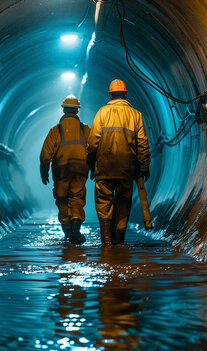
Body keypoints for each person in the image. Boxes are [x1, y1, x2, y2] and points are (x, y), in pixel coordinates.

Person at [87, 79, 150, 246]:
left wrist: (91, 164)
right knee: (123, 204)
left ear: (110, 94)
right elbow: (142, 143)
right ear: (126, 94)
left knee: (103, 204)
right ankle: (119, 243)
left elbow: (93, 142)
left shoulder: (102, 112)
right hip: (126, 169)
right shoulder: (135, 115)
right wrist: (144, 166)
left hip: (105, 168)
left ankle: (107, 244)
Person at [40, 95, 91, 244]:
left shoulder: (55, 130)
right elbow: (95, 149)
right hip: (80, 170)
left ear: (63, 109)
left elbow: (45, 155)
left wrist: (44, 171)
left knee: (62, 201)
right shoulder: (85, 129)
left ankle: (68, 233)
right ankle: (76, 231)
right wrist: (94, 168)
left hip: (61, 172)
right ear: (77, 110)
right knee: (77, 199)